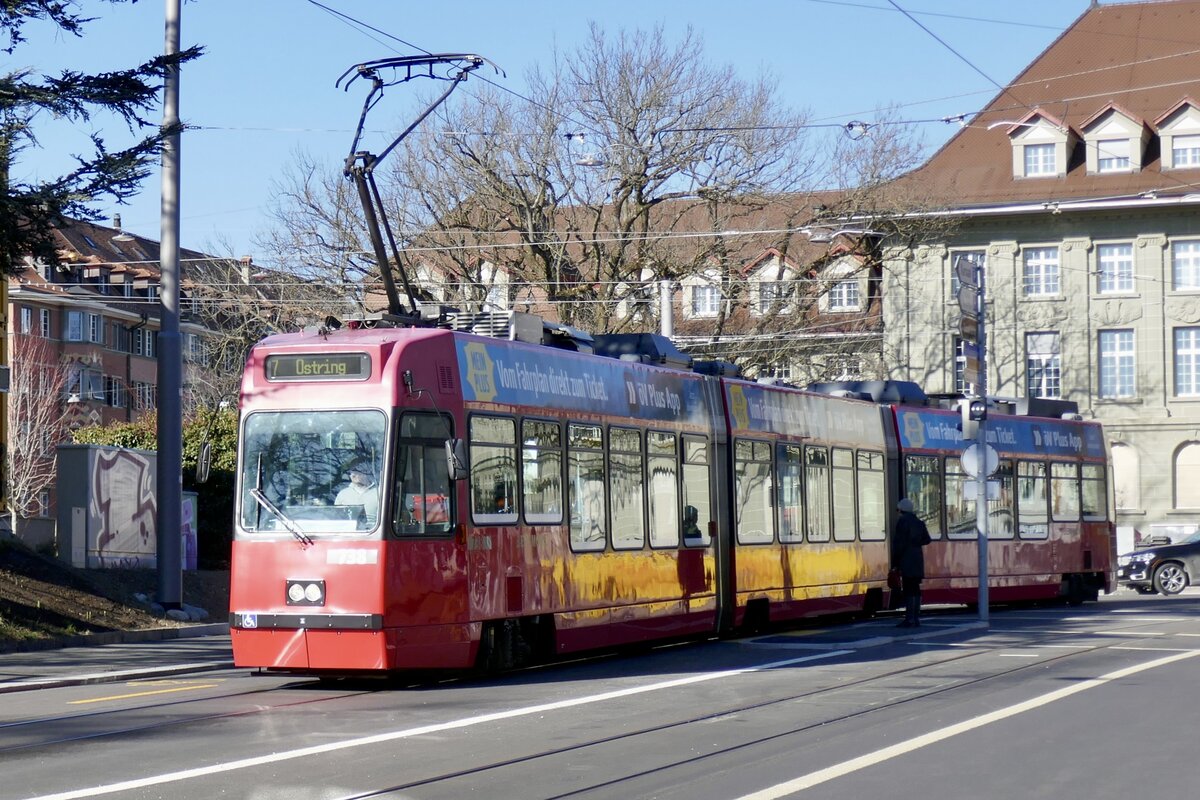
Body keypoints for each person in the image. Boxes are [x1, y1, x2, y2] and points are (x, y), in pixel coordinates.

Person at [891, 497, 932, 628]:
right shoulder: (919, 522)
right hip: (917, 558)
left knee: (908, 588)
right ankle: (916, 618)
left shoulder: (902, 522)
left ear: (901, 509)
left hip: (906, 559)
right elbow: (927, 539)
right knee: (915, 588)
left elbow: (899, 544)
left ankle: (909, 619)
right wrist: (916, 543)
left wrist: (895, 563)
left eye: (898, 509)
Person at [335, 459, 379, 525]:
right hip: (350, 533)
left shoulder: (379, 493)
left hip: (373, 533)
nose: (352, 475)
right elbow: (336, 518)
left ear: (366, 472)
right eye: (351, 472)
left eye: (356, 472)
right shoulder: (342, 494)